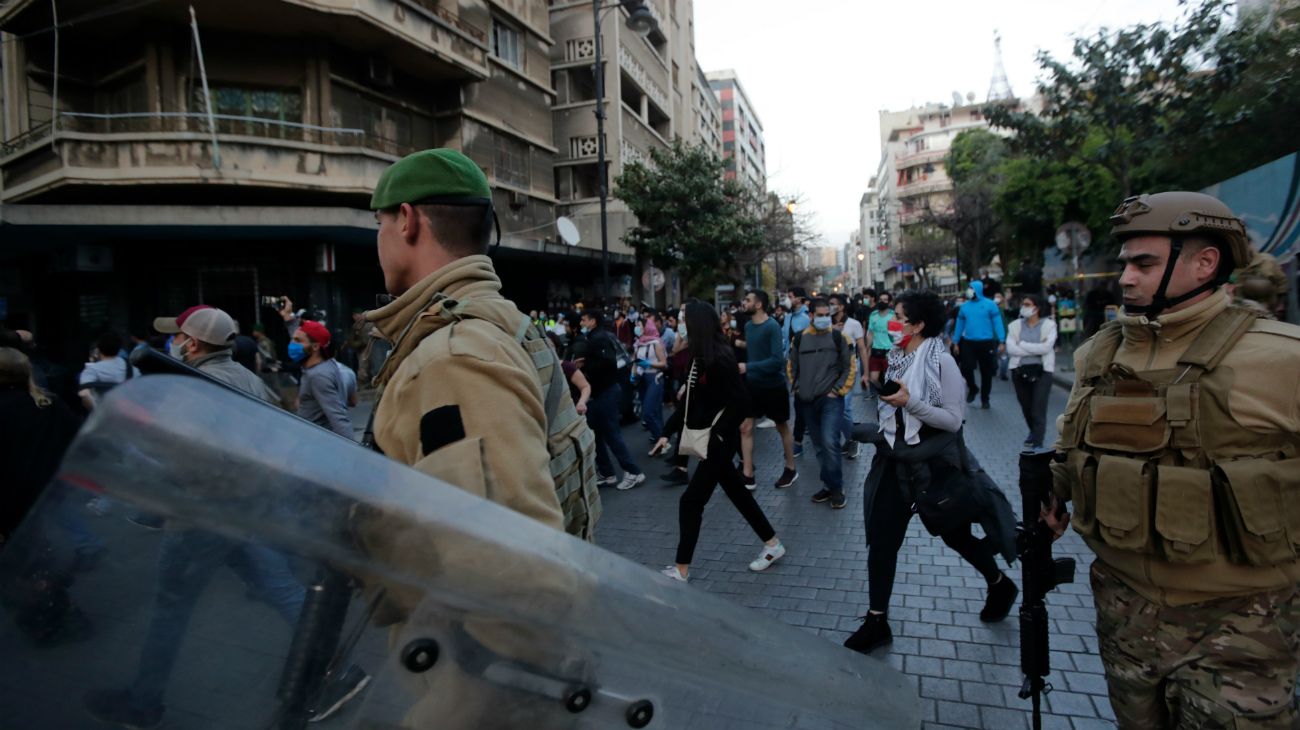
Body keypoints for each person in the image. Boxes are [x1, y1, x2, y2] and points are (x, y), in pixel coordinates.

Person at [1046, 191, 1300, 729]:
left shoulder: (1282, 358)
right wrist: (1054, 493)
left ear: (1206, 263)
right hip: (1123, 613)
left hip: (1241, 626)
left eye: (1145, 264)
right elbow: (1073, 449)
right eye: (1125, 265)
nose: (1126, 279)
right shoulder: (1100, 353)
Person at [83, 307, 361, 727]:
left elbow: (177, 462)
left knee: (169, 610)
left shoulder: (187, 388)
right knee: (282, 590)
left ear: (192, 343)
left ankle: (143, 703)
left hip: (201, 517)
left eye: (177, 336)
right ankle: (341, 669)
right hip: (245, 510)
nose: (173, 342)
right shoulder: (250, 379)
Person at [362, 148, 567, 526]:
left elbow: (510, 568)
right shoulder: (507, 320)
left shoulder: (457, 358)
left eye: (380, 222)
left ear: (406, 220)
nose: (378, 238)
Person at [844, 290, 1017, 655]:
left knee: (955, 535)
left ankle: (999, 582)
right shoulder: (898, 356)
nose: (894, 323)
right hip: (895, 462)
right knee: (882, 539)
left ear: (919, 325)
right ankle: (877, 620)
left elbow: (954, 420)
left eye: (901, 318)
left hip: (935, 467)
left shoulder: (943, 362)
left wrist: (911, 403)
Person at [652, 301, 784, 582]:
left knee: (690, 501)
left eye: (683, 319)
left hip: (718, 442)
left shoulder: (719, 357)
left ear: (696, 324)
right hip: (714, 440)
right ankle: (772, 544)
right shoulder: (698, 357)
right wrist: (666, 431)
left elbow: (741, 401)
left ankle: (681, 568)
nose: (679, 323)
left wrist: (719, 434)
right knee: (737, 493)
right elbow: (690, 403)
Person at [787, 299, 856, 509]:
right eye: (820, 314)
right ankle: (829, 484)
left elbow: (850, 367)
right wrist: (798, 388)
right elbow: (791, 367)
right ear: (810, 316)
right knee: (818, 446)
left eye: (828, 314)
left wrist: (838, 391)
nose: (825, 318)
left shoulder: (839, 337)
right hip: (808, 401)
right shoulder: (799, 339)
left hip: (831, 401)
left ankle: (836, 489)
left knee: (829, 442)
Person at [578, 309, 646, 490]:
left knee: (611, 433)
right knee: (595, 434)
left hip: (606, 392)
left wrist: (587, 366)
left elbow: (608, 362)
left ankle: (633, 471)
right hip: (601, 393)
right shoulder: (597, 337)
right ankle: (607, 472)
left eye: (584, 319)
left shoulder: (598, 339)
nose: (581, 323)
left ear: (592, 321)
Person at [738, 290, 798, 490]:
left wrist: (749, 367)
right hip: (752, 386)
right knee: (745, 428)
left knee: (782, 427)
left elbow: (776, 361)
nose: (743, 303)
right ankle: (748, 474)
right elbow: (756, 350)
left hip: (773, 386)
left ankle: (790, 468)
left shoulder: (772, 326)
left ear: (758, 305)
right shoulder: (747, 326)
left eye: (747, 300)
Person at [1005, 293, 1057, 451]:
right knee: (1026, 406)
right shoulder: (1015, 326)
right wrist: (1034, 349)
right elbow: (1011, 349)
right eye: (1023, 304)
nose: (1024, 307)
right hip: (1019, 371)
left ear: (1036, 308)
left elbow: (1046, 348)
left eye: (1027, 304)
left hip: (1042, 372)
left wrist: (1022, 344)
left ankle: (1038, 440)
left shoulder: (1049, 325)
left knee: (1038, 407)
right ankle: (1033, 432)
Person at [290, 319, 354, 440]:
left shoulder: (318, 376)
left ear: (315, 346)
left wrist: (354, 453)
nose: (292, 344)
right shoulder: (322, 365)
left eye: (298, 341)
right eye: (293, 340)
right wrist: (289, 320)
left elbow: (338, 417)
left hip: (315, 443)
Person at [952, 280, 1005, 409]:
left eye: (971, 288)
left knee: (986, 372)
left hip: (986, 342)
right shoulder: (964, 307)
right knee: (966, 368)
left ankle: (985, 398)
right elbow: (959, 326)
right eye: (968, 288)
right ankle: (973, 388)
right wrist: (955, 342)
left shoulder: (990, 305)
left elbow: (998, 323)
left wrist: (1002, 341)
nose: (969, 290)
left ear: (978, 289)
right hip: (969, 342)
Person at [830, 292, 868, 460]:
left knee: (844, 406)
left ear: (842, 306)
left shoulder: (853, 324)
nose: (830, 307)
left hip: (850, 370)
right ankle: (844, 439)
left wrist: (865, 373)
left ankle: (852, 440)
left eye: (833, 304)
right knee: (835, 407)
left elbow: (862, 349)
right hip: (830, 371)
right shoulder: (825, 325)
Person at [780, 287, 812, 456]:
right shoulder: (788, 317)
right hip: (792, 365)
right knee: (799, 403)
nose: (787, 299)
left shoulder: (807, 317)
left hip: (807, 366)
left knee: (803, 403)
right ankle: (799, 439)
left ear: (798, 299)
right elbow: (784, 339)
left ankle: (798, 440)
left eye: (790, 296)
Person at [77, 331, 140, 412]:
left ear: (98, 349)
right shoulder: (132, 369)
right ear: (119, 349)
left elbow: (84, 394)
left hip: (103, 416)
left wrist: (97, 412)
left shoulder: (92, 369)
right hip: (128, 415)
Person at [632, 317, 668, 442]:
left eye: (639, 325)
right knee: (655, 411)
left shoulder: (656, 343)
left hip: (655, 377)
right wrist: (633, 375)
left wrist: (649, 364)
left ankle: (661, 440)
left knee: (648, 412)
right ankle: (662, 435)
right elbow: (636, 361)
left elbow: (663, 363)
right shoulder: (638, 343)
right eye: (636, 325)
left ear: (647, 327)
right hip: (642, 379)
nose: (637, 327)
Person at [865, 290, 895, 390]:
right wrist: (866, 349)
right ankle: (882, 394)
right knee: (873, 379)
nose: (882, 301)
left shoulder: (893, 316)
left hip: (889, 352)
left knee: (889, 380)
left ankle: (887, 399)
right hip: (875, 351)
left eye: (885, 300)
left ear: (890, 302)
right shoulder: (873, 315)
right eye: (881, 299)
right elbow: (870, 334)